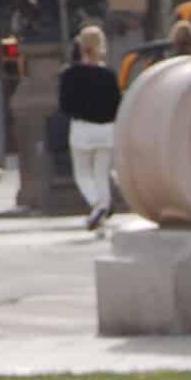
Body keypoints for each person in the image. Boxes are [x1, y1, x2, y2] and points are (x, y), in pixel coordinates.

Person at [58, 25, 124, 230]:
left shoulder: (70, 74)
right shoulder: (109, 75)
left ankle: (97, 205)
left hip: (83, 129)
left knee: (82, 174)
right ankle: (101, 211)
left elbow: (65, 105)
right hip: (107, 130)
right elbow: (117, 104)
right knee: (101, 173)